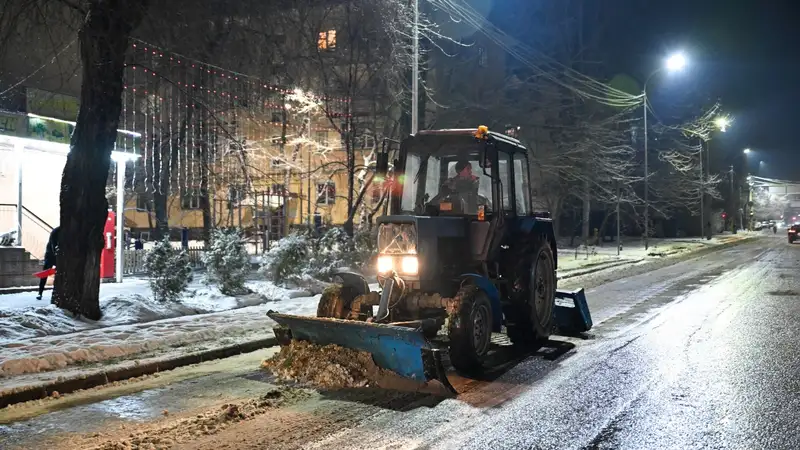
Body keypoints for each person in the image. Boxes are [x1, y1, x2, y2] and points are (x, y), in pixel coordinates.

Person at [37, 226, 59, 300]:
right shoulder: (56, 231)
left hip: (57, 255)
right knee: (45, 273)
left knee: (59, 273)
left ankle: (56, 292)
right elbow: (53, 244)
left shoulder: (65, 231)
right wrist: (56, 253)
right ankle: (40, 292)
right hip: (50, 255)